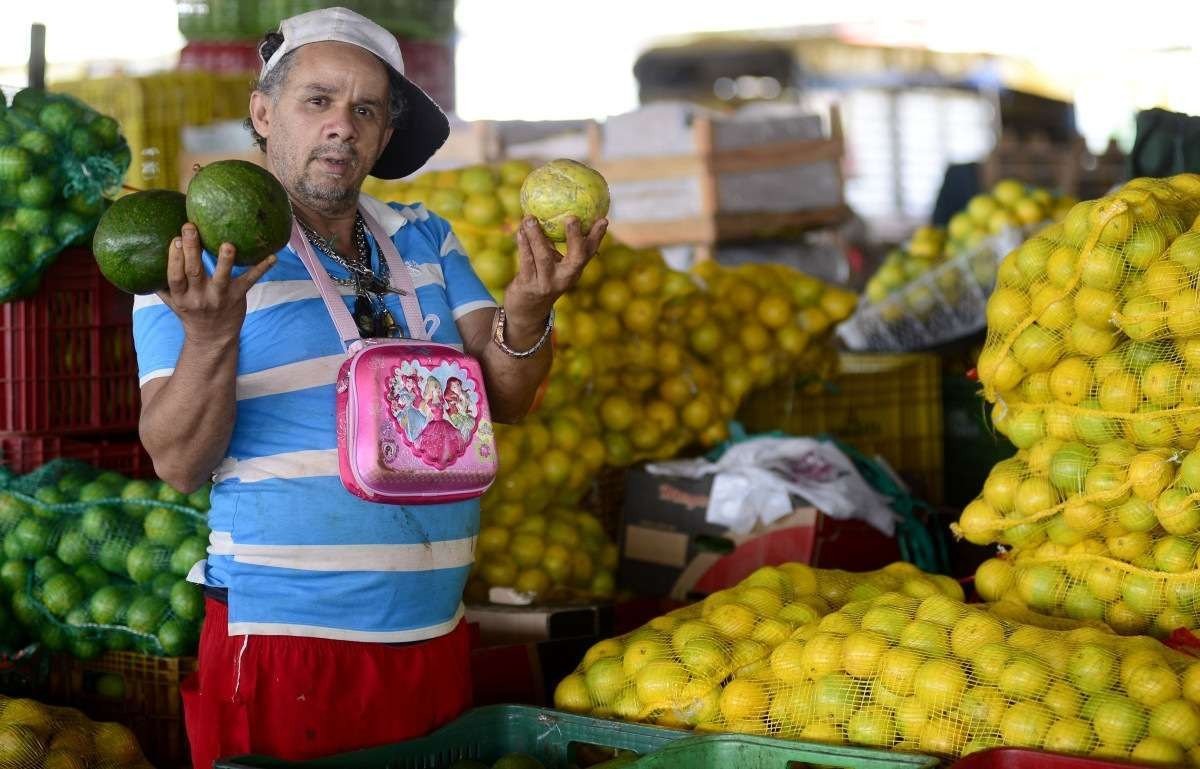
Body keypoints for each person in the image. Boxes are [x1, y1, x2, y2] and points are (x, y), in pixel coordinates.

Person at [131, 7, 606, 766]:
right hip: (289, 640)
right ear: (263, 111)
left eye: (366, 110)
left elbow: (508, 398)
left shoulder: (426, 237)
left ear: (386, 135)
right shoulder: (194, 256)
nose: (342, 126)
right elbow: (179, 462)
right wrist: (213, 334)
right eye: (316, 100)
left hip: (434, 628)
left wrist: (529, 309)